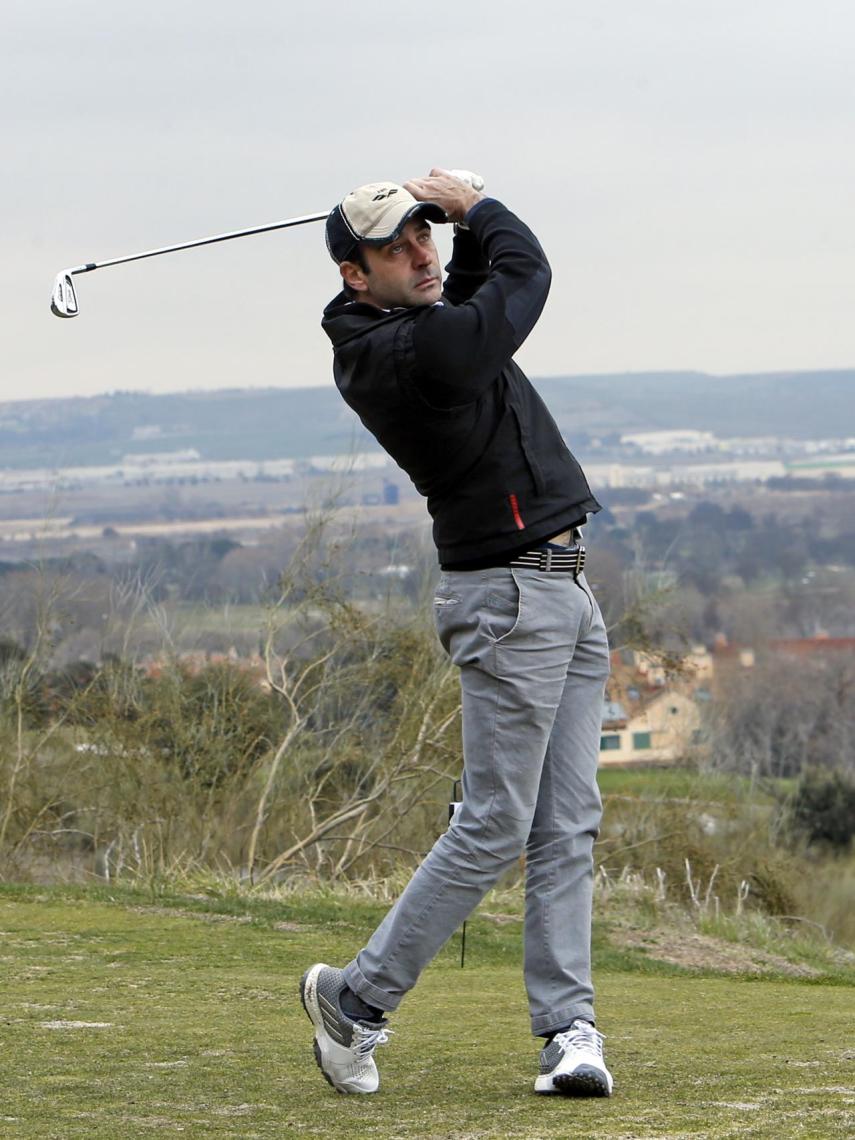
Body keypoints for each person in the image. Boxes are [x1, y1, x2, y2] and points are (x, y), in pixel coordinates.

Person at [301, 168, 613, 1098]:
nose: (419, 254)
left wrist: (456, 228)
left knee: (566, 825)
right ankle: (356, 1000)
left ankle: (568, 1032)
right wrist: (477, 207)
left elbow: (475, 293)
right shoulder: (411, 351)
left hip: (560, 590)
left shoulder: (412, 327)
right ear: (357, 276)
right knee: (494, 826)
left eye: (423, 236)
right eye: (395, 247)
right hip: (510, 600)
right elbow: (521, 283)